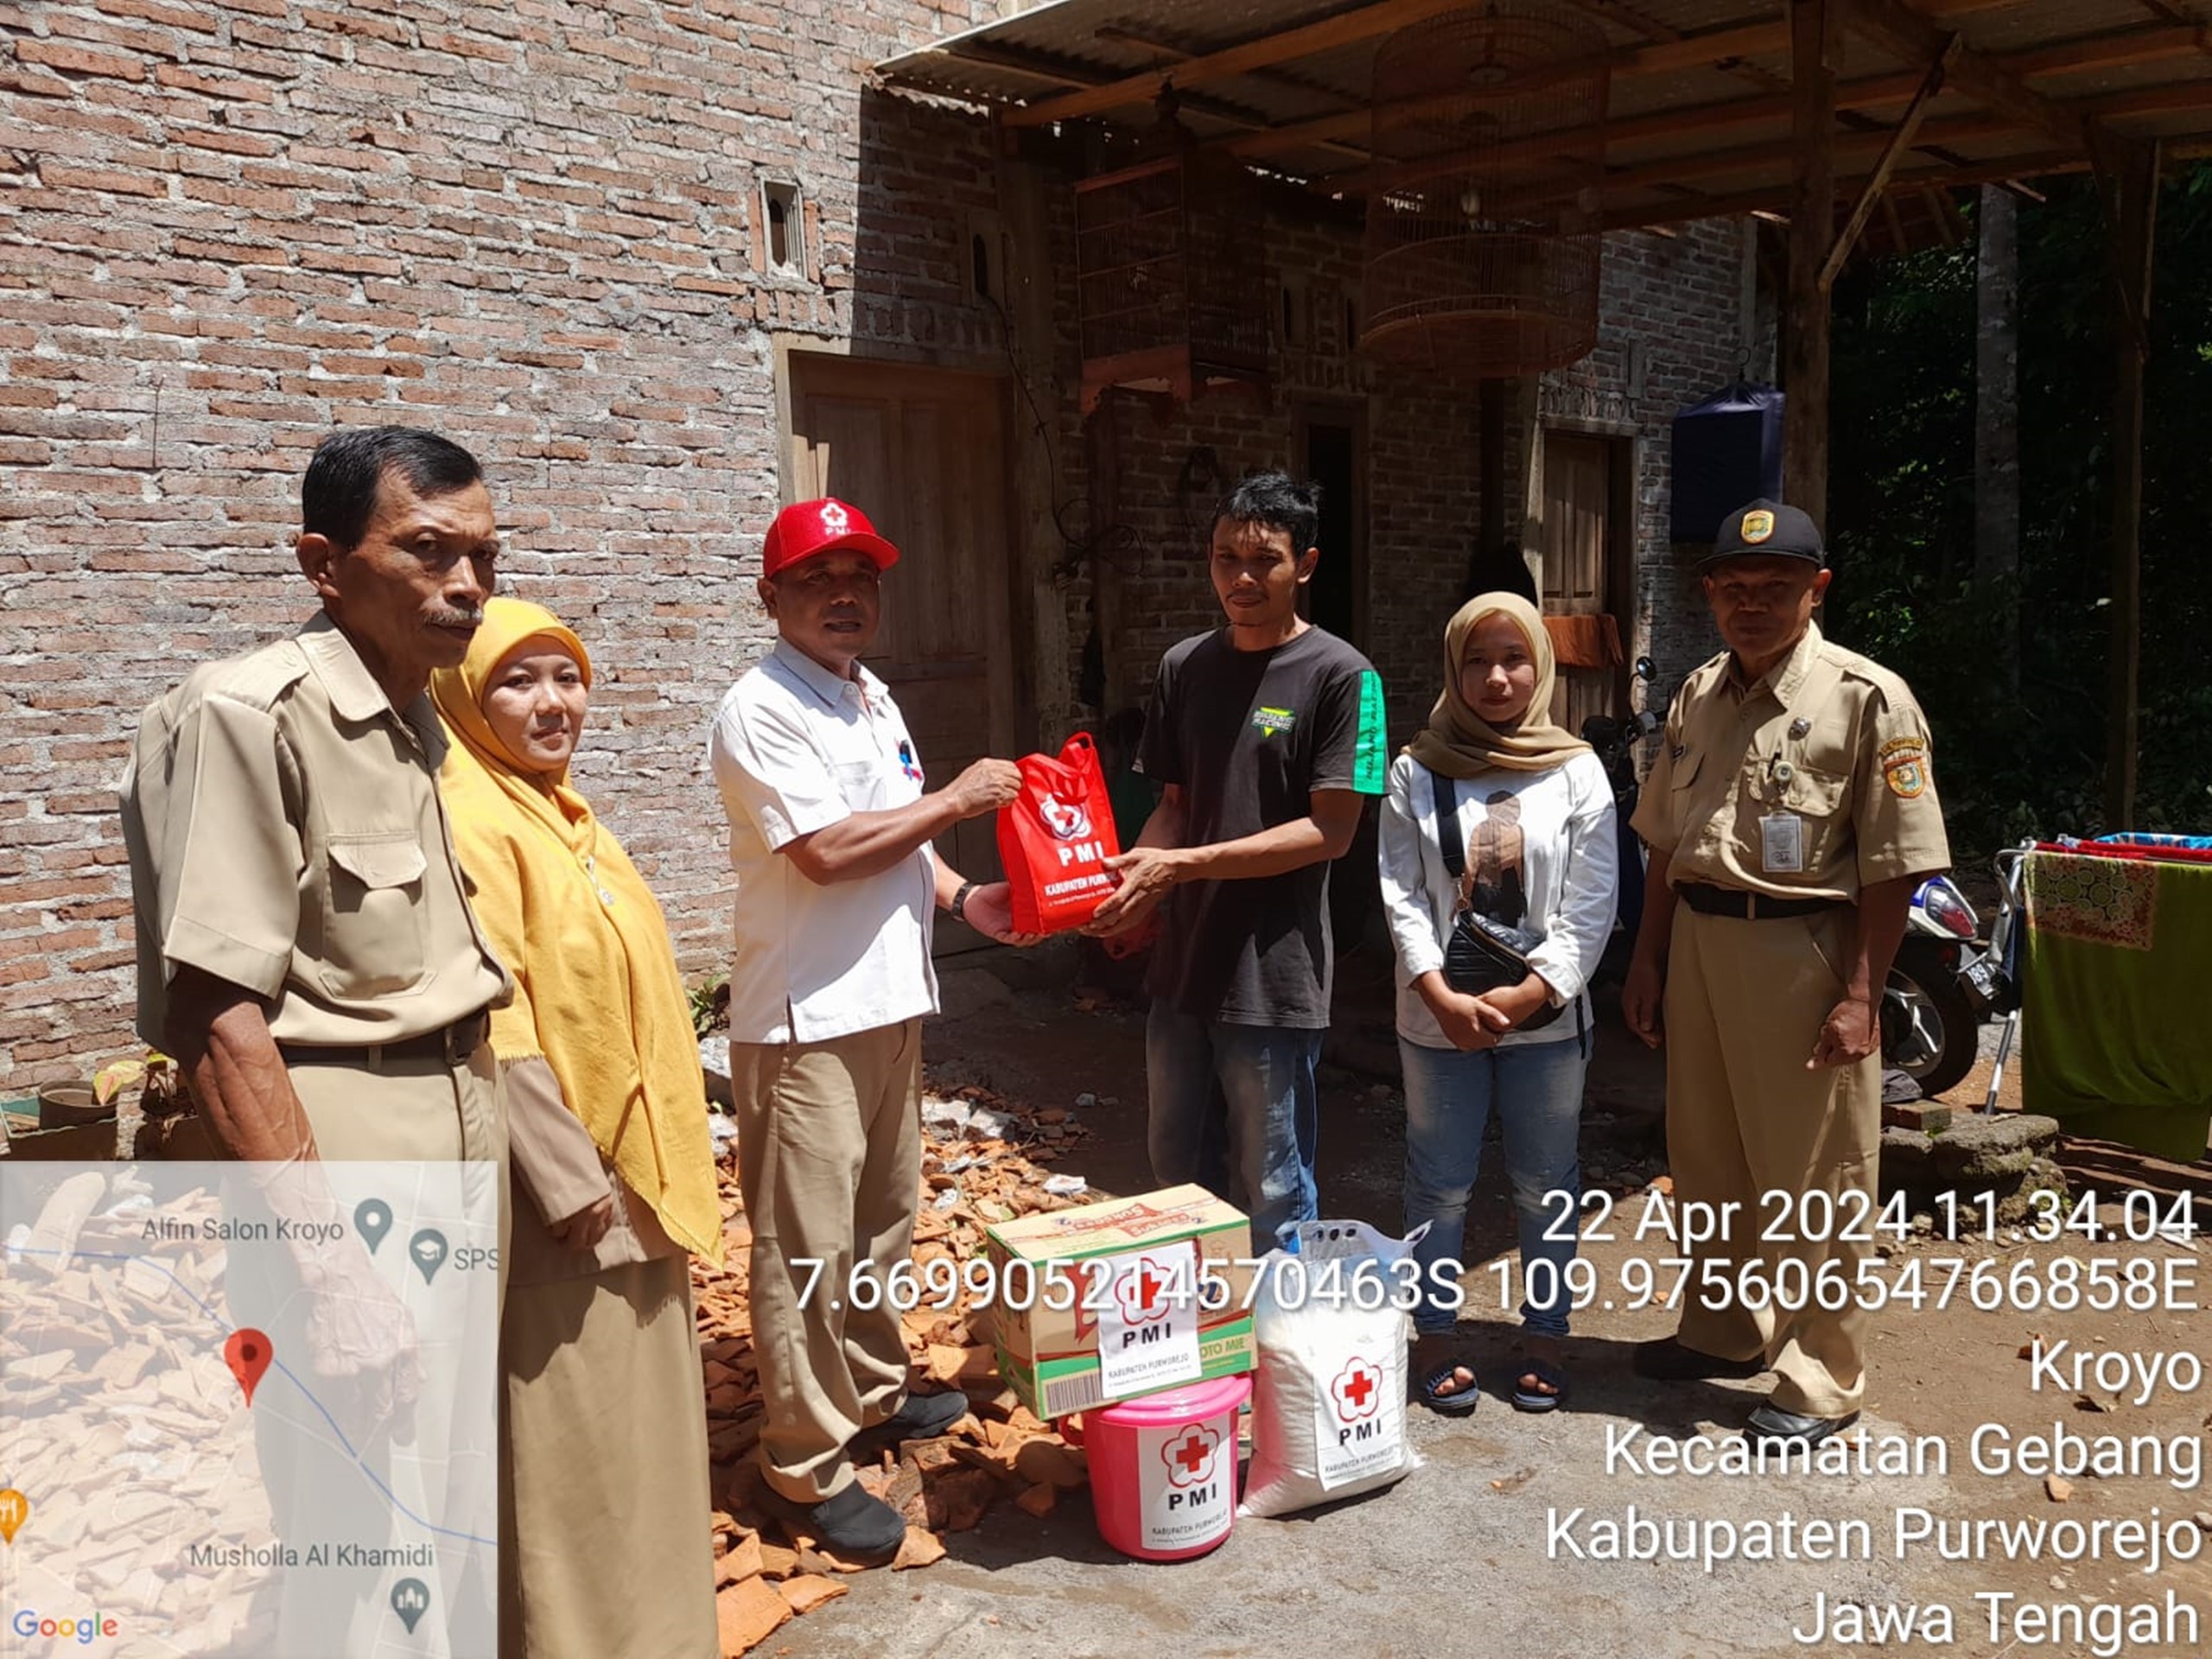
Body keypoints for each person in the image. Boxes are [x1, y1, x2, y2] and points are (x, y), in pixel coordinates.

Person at [119, 424, 512, 1653]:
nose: (466, 586)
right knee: (367, 1527)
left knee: (440, 1504)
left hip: (452, 1125)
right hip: (345, 1158)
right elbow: (218, 1017)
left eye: (485, 558)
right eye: (428, 552)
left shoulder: (414, 719)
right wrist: (332, 1274)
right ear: (323, 563)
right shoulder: (249, 716)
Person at [708, 496, 1034, 1561]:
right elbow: (827, 850)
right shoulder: (759, 707)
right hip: (806, 1020)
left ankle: (873, 1391)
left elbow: (892, 836)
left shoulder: (865, 693)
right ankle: (800, 1462)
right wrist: (955, 801)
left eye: (860, 578)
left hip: (890, 1001)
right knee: (805, 1243)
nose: (844, 596)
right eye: (816, 579)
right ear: (772, 596)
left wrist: (959, 894)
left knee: (882, 1217)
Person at [1622, 499, 1950, 1448]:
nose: (1750, 605)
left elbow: (1895, 863)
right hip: (1699, 944)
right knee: (1710, 1158)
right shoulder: (1697, 695)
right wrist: (1645, 958)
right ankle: (1726, 1328)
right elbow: (1661, 842)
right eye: (1732, 589)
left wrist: (1861, 995)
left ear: (1817, 589)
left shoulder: (1866, 698)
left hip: (1804, 949)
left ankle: (1821, 1376)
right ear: (1710, 595)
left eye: (1773, 588)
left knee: (1815, 1175)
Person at [429, 598, 723, 1658]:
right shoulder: (470, 815)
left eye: (568, 676)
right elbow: (490, 1011)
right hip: (574, 1198)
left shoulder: (560, 811)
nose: (554, 703)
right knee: (578, 1460)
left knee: (638, 1446)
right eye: (519, 680)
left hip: (631, 1179)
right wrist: (567, 1177)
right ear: (463, 694)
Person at [1088, 474, 1388, 1247]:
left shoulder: (1346, 677)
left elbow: (1331, 833)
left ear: (1307, 564)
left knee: (1272, 1183)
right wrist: (1131, 888)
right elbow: (1175, 807)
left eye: (1264, 560)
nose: (1242, 579)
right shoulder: (1184, 665)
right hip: (1184, 965)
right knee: (1174, 1167)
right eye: (1226, 558)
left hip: (1274, 973)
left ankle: (1281, 1352)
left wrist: (1179, 869)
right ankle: (1205, 1349)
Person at [1379, 593, 1618, 1416]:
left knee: (1545, 1181)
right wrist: (1437, 992)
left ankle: (1545, 1332)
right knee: (1438, 1183)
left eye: (1514, 658)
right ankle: (1435, 1330)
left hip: (1547, 1020)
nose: (1496, 677)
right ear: (1453, 667)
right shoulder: (1418, 767)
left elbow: (1592, 901)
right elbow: (1402, 893)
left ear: (1541, 668)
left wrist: (1530, 993)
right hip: (1437, 1017)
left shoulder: (1576, 768)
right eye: (1476, 660)